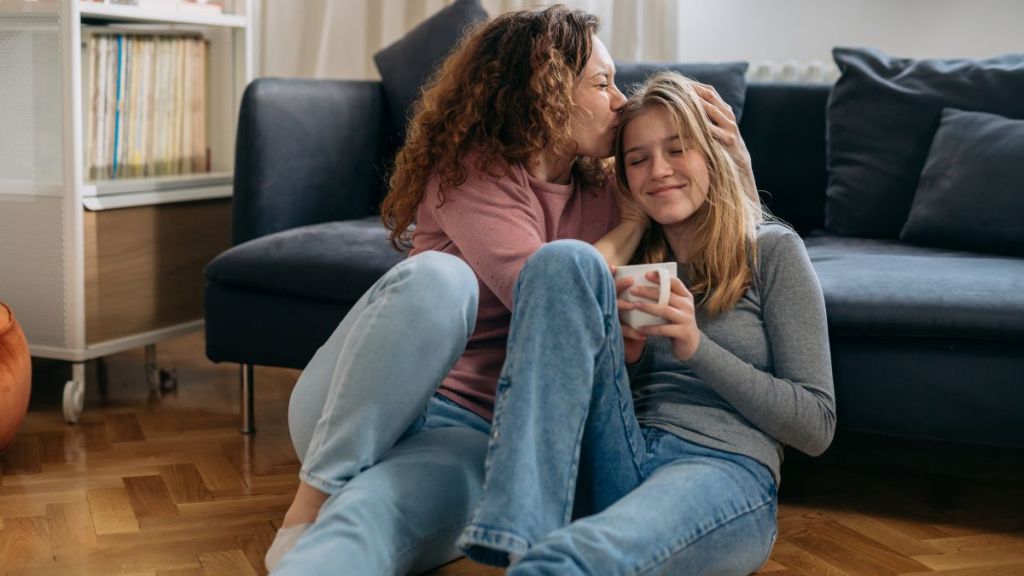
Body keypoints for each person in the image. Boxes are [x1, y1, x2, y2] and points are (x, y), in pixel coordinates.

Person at [267, 6, 650, 574]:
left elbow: (708, 207)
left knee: (368, 520)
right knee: (441, 279)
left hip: (472, 433)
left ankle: (327, 530)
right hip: (356, 405)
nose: (620, 101)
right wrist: (630, 229)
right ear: (545, 89)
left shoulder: (610, 186)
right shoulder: (471, 171)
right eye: (602, 83)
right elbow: (545, 293)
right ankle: (311, 500)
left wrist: (724, 155)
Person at [455, 72, 837, 575]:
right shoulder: (635, 262)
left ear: (711, 154)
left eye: (677, 150)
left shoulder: (773, 251)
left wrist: (696, 347)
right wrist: (626, 355)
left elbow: (816, 426)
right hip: (619, 454)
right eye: (638, 160)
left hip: (719, 466)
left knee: (570, 560)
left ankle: (533, 553)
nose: (659, 170)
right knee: (562, 260)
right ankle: (516, 527)